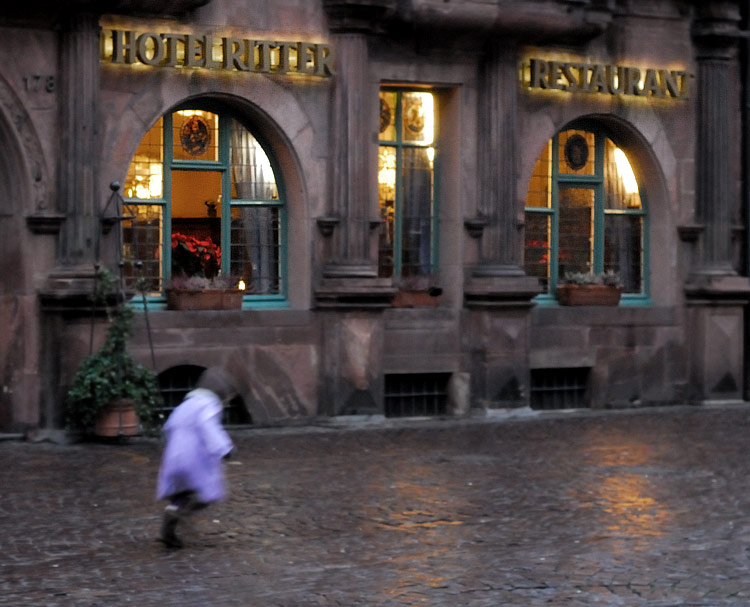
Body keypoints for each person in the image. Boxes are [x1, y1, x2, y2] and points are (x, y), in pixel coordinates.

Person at [156, 367, 237, 548]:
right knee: (206, 491)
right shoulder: (209, 405)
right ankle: (181, 512)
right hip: (194, 456)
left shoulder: (185, 405)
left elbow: (169, 426)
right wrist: (225, 448)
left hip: (174, 454)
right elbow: (208, 426)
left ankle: (173, 511)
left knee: (181, 491)